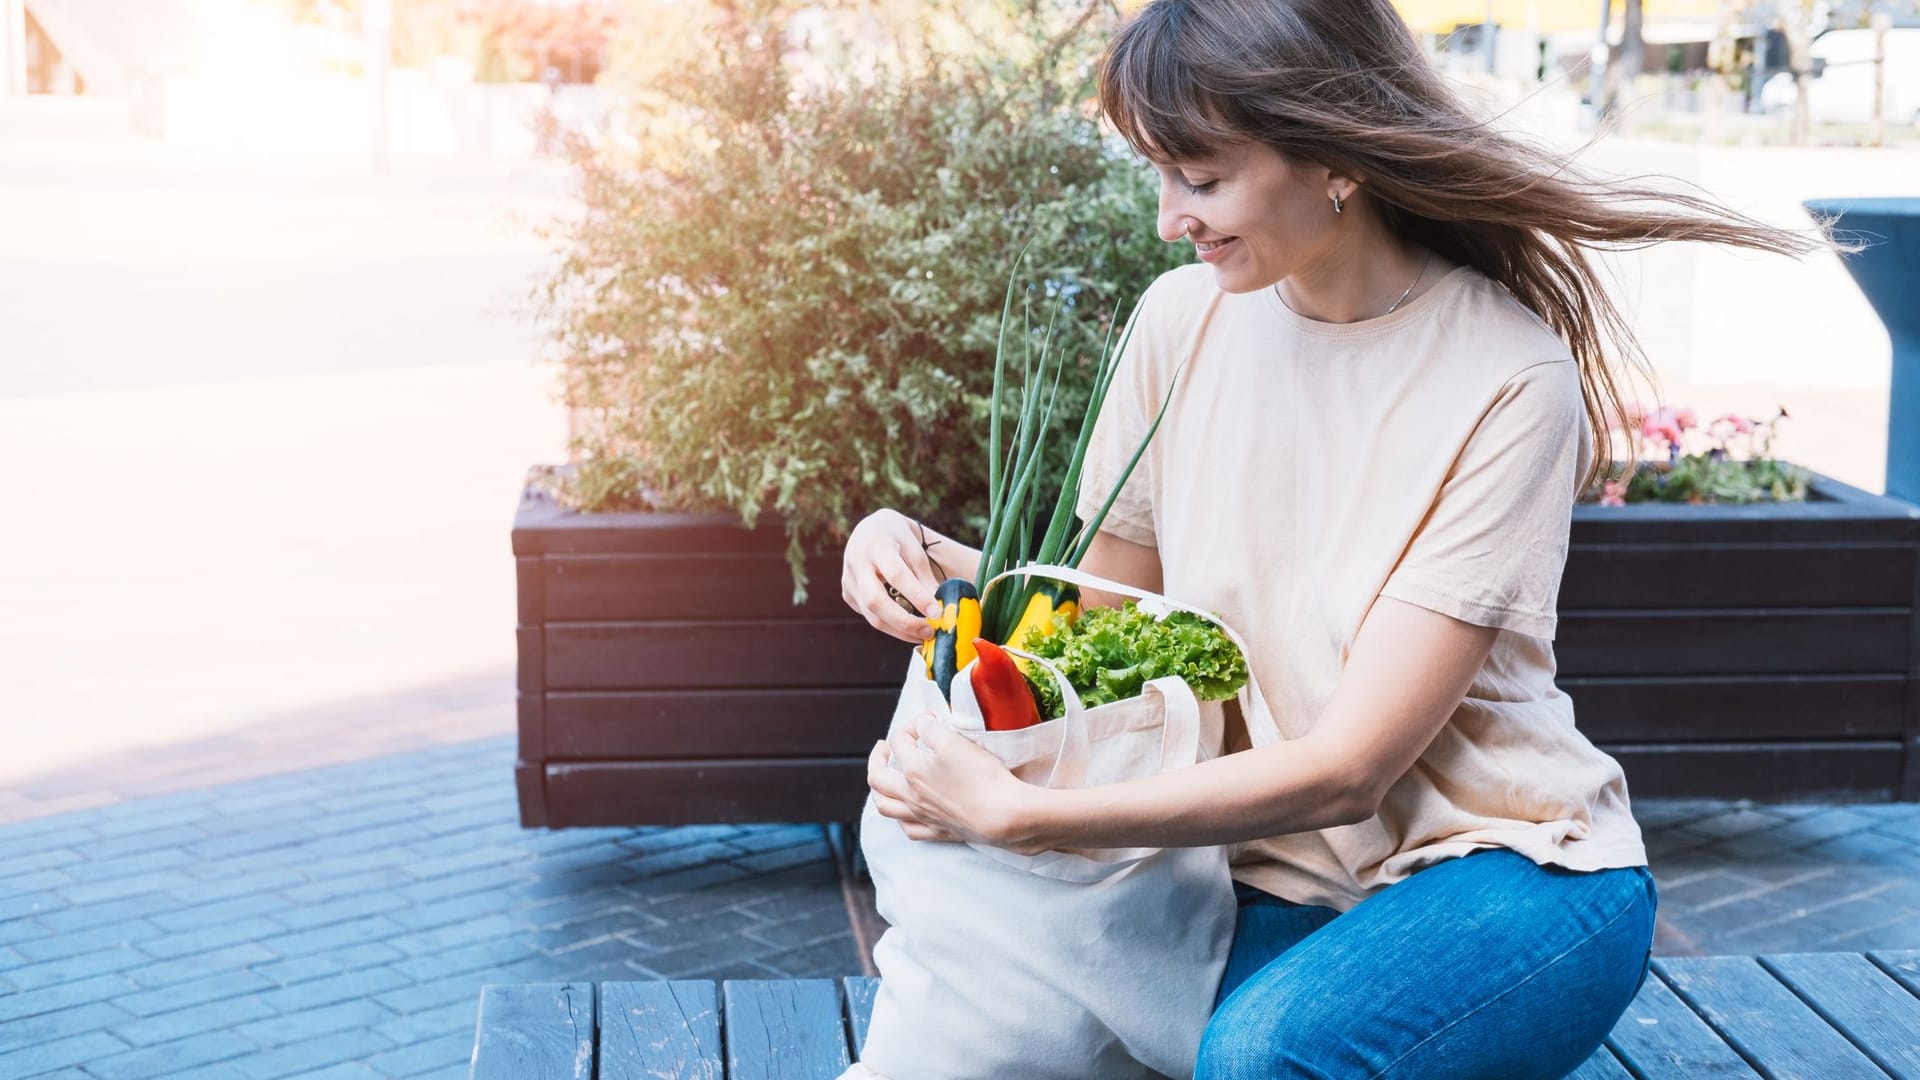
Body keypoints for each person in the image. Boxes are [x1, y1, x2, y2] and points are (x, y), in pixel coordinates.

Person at [840, 1, 1826, 1076]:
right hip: (1255, 873)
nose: (1171, 217)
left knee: (1265, 1056)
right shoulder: (1180, 322)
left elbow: (1353, 767)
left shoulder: (1508, 379)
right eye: (1160, 175)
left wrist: (1027, 819)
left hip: (1501, 867)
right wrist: (925, 560)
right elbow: (1108, 632)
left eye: (1202, 179)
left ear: (1334, 159)